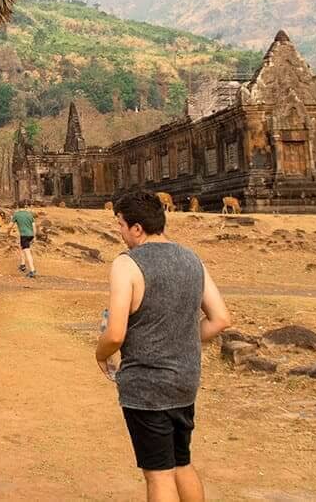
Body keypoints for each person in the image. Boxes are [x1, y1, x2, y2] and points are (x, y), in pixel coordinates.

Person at [94, 190, 232, 502]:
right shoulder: (191, 258)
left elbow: (115, 334)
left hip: (147, 386)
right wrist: (179, 338)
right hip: (184, 381)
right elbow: (221, 318)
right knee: (181, 462)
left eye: (120, 224)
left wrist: (100, 354)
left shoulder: (127, 264)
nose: (119, 230)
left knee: (158, 475)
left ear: (137, 228)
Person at [10, 201, 37, 278]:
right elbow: (34, 226)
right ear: (25, 206)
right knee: (22, 248)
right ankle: (22, 265)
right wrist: (34, 236)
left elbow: (10, 226)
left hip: (24, 235)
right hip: (30, 234)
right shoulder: (29, 214)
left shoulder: (16, 214)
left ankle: (32, 270)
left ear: (18, 206)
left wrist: (7, 233)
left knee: (27, 252)